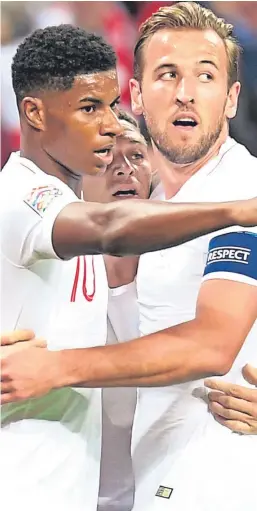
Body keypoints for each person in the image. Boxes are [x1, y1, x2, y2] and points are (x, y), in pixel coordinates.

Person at [1, 12, 257, 510]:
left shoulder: (242, 189)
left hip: (218, 480)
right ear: (138, 98)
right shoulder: (135, 216)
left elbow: (211, 345)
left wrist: (54, 369)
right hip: (120, 487)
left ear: (231, 99)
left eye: (206, 75)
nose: (186, 92)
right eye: (168, 74)